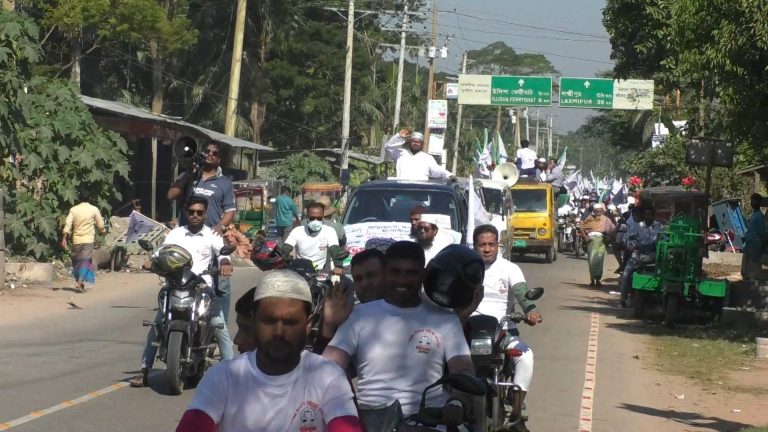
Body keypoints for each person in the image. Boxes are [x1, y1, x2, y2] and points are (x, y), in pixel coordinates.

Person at [176, 270, 362, 432]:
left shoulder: (328, 376)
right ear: (255, 320)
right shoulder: (223, 376)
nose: (279, 333)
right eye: (269, 321)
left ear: (308, 324)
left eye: (290, 322)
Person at [323, 241, 474, 424]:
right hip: (372, 420)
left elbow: (463, 371)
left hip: (429, 421)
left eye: (411, 273)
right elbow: (326, 368)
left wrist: (457, 402)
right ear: (385, 273)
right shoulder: (359, 316)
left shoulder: (446, 320)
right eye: (396, 272)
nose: (402, 280)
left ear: (423, 275)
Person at [131, 197, 234, 388]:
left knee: (219, 326)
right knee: (157, 324)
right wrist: (151, 262)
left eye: (199, 212)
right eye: (191, 212)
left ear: (205, 214)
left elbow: (222, 253)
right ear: (186, 212)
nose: (195, 215)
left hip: (202, 286)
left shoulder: (212, 234)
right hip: (176, 284)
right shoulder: (176, 234)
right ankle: (145, 371)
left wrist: (225, 264)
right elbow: (161, 252)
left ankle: (232, 373)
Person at [473, 225, 540, 432]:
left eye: (491, 244)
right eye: (482, 245)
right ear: (474, 246)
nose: (486, 249)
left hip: (504, 331)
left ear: (498, 246)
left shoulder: (510, 268)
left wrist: (531, 310)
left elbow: (522, 293)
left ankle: (517, 416)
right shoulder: (467, 268)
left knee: (526, 356)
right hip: (469, 330)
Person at [168, 141, 236, 323]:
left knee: (221, 285)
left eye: (214, 153)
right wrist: (188, 175)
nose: (210, 155)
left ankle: (219, 327)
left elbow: (230, 210)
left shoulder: (224, 183)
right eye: (207, 151)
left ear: (219, 159)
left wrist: (220, 226)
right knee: (178, 283)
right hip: (187, 239)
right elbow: (171, 195)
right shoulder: (189, 176)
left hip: (211, 240)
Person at [61, 190, 107, 292]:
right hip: (88, 240)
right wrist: (103, 231)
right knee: (86, 260)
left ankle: (80, 282)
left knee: (77, 262)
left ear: (79, 198)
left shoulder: (73, 210)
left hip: (76, 240)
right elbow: (101, 225)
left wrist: (64, 239)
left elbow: (67, 225)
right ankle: (80, 280)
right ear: (89, 198)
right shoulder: (94, 209)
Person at [619, 206, 664, 308]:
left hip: (654, 254)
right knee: (626, 273)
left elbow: (662, 239)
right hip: (639, 253)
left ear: (653, 216)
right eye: (646, 214)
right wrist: (630, 245)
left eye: (650, 214)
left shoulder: (659, 226)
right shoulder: (639, 225)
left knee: (662, 273)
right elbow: (630, 238)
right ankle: (622, 298)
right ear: (644, 215)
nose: (648, 216)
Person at [284, 202, 342, 273]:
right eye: (312, 218)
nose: (315, 220)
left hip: (323, 273)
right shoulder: (297, 231)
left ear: (323, 217)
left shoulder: (329, 231)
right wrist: (280, 256)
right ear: (307, 217)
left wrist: (338, 266)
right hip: (301, 272)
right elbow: (286, 247)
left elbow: (335, 249)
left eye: (319, 218)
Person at [384, 127, 456, 181]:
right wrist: (399, 136)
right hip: (402, 191)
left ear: (422, 144)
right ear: (409, 142)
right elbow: (388, 147)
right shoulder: (400, 153)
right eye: (414, 141)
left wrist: (449, 175)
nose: (416, 144)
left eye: (418, 142)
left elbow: (438, 170)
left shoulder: (427, 158)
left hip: (421, 193)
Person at [579, 203, 615, 287]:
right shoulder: (589, 218)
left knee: (599, 260)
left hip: (601, 240)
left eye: (599, 211)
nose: (598, 213)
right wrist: (585, 237)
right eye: (596, 211)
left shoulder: (606, 219)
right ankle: (592, 280)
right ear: (593, 212)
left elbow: (612, 229)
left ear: (602, 211)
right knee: (592, 261)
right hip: (592, 240)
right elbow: (581, 227)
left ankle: (598, 280)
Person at [742, 193, 766, 280]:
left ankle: (752, 282)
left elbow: (763, 232)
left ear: (759, 203)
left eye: (754, 201)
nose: (752, 203)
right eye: (752, 200)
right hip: (750, 243)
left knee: (753, 265)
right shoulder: (754, 214)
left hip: (755, 243)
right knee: (748, 265)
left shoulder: (759, 216)